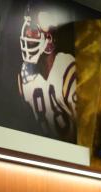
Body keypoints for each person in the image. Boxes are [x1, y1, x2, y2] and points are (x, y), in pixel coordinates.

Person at [18, 9, 77, 142]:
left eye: (33, 29)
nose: (27, 33)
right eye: (26, 27)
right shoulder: (24, 74)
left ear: (49, 39)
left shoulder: (68, 70)